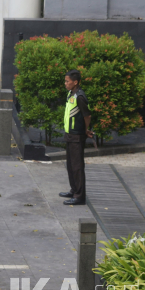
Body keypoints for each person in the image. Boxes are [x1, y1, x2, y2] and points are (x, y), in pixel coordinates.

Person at [60, 69, 93, 206]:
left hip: (77, 136)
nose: (65, 83)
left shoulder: (80, 97)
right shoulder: (71, 94)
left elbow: (87, 115)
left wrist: (86, 130)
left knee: (77, 166)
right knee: (70, 165)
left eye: (68, 81)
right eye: (65, 81)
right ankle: (74, 190)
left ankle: (79, 196)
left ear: (75, 82)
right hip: (70, 135)